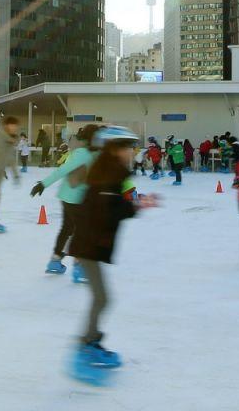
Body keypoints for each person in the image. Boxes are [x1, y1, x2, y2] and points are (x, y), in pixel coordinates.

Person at [67, 126, 157, 385]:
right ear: (115, 150)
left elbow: (116, 206)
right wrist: (135, 205)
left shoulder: (112, 174)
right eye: (129, 148)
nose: (132, 153)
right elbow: (108, 210)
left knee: (102, 298)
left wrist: (136, 204)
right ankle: (82, 350)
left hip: (92, 244)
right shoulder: (107, 175)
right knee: (102, 298)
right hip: (88, 245)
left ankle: (90, 344)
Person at [31, 124, 100, 278]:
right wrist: (43, 184)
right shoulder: (82, 153)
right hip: (75, 199)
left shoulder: (90, 153)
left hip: (68, 197)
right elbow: (63, 169)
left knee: (67, 228)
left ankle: (55, 261)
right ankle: (78, 266)